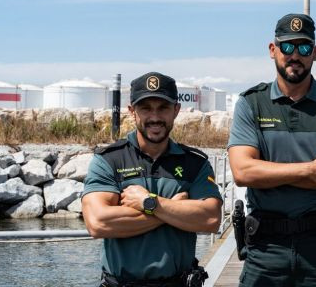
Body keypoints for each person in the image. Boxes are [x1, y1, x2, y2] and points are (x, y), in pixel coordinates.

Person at [228, 13, 316, 287]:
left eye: (304, 48)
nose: (294, 55)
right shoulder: (251, 103)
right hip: (265, 249)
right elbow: (242, 172)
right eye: (286, 47)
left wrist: (267, 172)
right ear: (272, 50)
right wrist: (310, 169)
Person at [82, 72, 223, 287]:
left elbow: (211, 219)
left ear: (176, 110)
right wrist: (173, 209)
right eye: (146, 108)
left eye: (163, 108)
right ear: (132, 111)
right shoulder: (110, 160)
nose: (155, 117)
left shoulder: (194, 163)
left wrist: (150, 203)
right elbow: (98, 223)